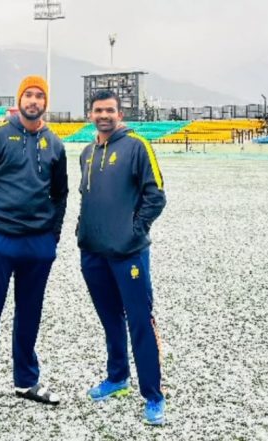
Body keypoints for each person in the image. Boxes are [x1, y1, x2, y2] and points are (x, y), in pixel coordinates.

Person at [0, 75, 69, 430]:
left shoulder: (55, 144)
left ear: (45, 103)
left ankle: (25, 381)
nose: (34, 100)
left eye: (40, 95)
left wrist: (52, 237)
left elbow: (60, 194)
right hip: (0, 241)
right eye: (29, 94)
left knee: (29, 316)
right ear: (19, 98)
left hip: (37, 245)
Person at [77, 90, 168, 425]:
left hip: (128, 254)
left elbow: (156, 195)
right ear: (90, 114)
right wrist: (81, 232)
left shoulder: (137, 147)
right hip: (93, 253)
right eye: (99, 110)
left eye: (110, 110)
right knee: (110, 320)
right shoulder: (87, 153)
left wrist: (134, 231)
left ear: (119, 112)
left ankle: (154, 396)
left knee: (140, 321)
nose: (104, 115)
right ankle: (117, 378)